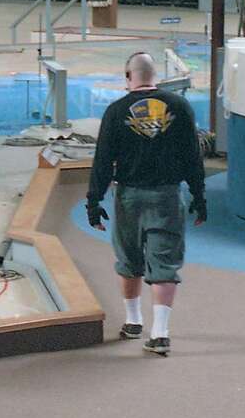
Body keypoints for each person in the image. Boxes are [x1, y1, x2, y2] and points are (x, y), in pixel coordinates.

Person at [85, 51, 206, 356]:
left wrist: (94, 201)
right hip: (167, 195)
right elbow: (193, 157)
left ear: (128, 77)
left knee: (129, 259)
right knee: (164, 262)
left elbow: (102, 161)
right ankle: (161, 332)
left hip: (129, 195)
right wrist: (199, 196)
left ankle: (133, 320)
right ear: (156, 76)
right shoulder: (180, 107)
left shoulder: (115, 111)